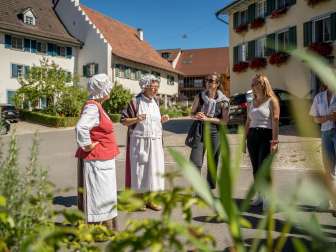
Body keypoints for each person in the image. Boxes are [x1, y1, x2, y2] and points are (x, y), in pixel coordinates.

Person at [75, 74, 119, 229]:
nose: (110, 90)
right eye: (108, 88)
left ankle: (103, 226)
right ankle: (96, 228)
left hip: (103, 158)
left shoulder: (97, 106)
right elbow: (81, 127)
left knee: (104, 193)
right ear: (102, 89)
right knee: (99, 193)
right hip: (97, 159)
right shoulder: (93, 107)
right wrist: (86, 145)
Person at [121, 74, 169, 211]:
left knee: (154, 171)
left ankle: (151, 200)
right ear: (145, 87)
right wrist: (136, 119)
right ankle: (138, 201)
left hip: (155, 142)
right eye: (153, 87)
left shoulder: (157, 101)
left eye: (157, 87)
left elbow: (153, 121)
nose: (155, 89)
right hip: (139, 142)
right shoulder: (134, 102)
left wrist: (162, 120)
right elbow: (123, 120)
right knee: (140, 172)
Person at [189, 73, 230, 189]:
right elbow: (191, 114)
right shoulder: (199, 96)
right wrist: (196, 114)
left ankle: (209, 185)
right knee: (196, 160)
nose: (209, 82)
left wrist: (208, 118)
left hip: (215, 131)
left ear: (217, 84)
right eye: (207, 80)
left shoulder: (224, 101)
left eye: (212, 81)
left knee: (213, 159)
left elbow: (225, 121)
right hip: (200, 130)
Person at [245, 74, 280, 207]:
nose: (253, 86)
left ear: (263, 84)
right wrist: (244, 139)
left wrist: (275, 142)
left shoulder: (272, 101)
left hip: (266, 136)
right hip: (252, 136)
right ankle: (260, 195)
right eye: (252, 84)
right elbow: (248, 121)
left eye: (255, 83)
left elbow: (275, 121)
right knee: (255, 168)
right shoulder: (251, 102)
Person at [310, 84, 336, 208]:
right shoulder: (319, 97)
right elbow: (315, 119)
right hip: (326, 133)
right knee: (328, 169)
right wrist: (328, 117)